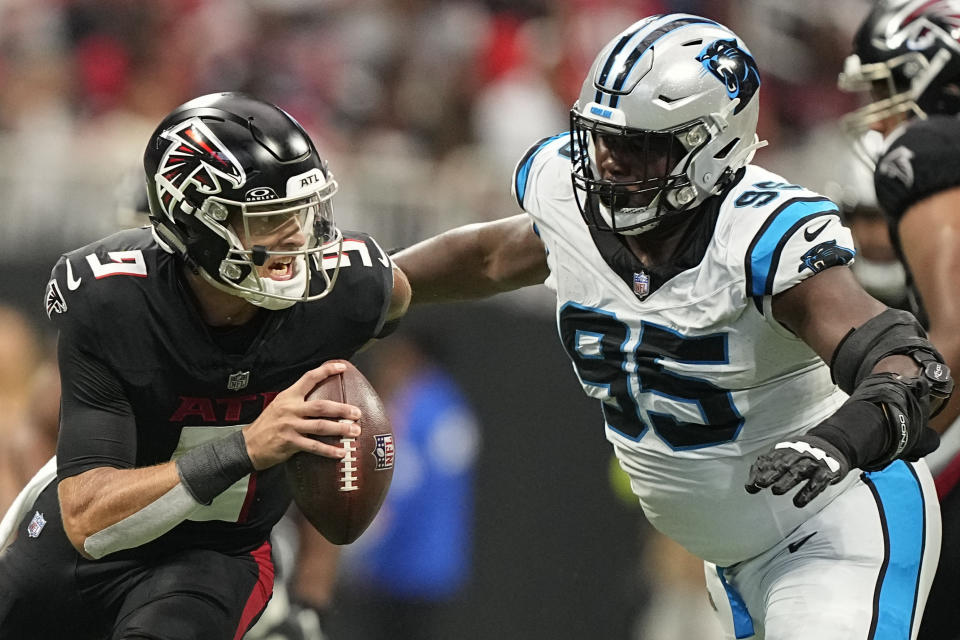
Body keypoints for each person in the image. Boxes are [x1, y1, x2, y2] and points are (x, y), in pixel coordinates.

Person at [393, 13, 952, 640]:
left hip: (833, 525)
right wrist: (383, 289)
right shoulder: (570, 203)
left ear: (711, 145)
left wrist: (838, 440)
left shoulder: (757, 238)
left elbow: (907, 364)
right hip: (730, 554)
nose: (609, 162)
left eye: (639, 146)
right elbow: (492, 256)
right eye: (602, 138)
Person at [0, 91, 410, 639]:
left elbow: (437, 275)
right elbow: (83, 513)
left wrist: (311, 599)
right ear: (193, 226)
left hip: (216, 554)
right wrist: (246, 447)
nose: (296, 237)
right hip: (89, 540)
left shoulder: (344, 292)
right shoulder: (112, 303)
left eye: (299, 213)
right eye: (268, 218)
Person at [838, 2, 960, 638]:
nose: (879, 114)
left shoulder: (931, 150)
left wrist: (869, 453)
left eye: (887, 87)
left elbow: (959, 335)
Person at [327, 330, 480, 640]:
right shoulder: (451, 405)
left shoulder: (410, 408)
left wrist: (354, 548)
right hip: (438, 564)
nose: (384, 364)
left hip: (398, 565)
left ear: (413, 357)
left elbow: (398, 482)